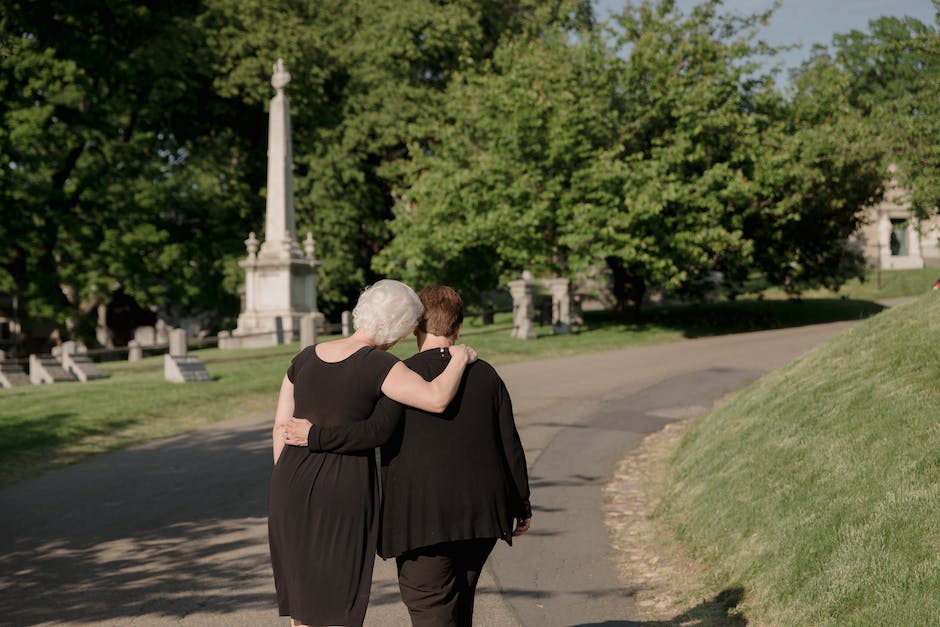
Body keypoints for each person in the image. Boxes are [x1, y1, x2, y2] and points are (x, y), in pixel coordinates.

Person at [285, 285, 531, 627]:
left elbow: (375, 431)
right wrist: (522, 505)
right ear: (459, 328)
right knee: (460, 607)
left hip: (422, 521)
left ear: (415, 328)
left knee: (432, 609)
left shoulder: (399, 375)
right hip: (481, 518)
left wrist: (314, 436)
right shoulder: (486, 373)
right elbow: (510, 442)